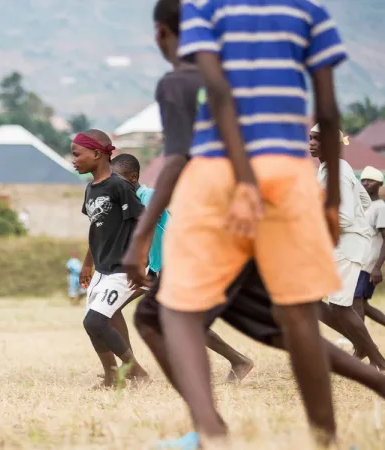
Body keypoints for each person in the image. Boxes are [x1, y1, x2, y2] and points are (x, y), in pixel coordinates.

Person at [138, 0, 356, 447]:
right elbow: (329, 113)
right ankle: (327, 441)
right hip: (290, 172)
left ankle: (211, 432)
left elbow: (219, 92)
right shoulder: (311, 14)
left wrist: (242, 179)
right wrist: (331, 198)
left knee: (177, 311)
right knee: (298, 317)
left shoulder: (207, 12)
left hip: (219, 170)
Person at [113, 152, 254, 384]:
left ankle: (237, 361)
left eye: (118, 179)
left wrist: (143, 264)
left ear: (133, 177)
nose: (114, 185)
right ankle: (129, 367)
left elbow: (146, 229)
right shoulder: (128, 201)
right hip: (159, 267)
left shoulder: (147, 196)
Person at [71, 129, 148, 389]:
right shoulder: (90, 189)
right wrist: (87, 263)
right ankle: (112, 377)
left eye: (76, 154)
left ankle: (136, 371)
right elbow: (97, 227)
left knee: (95, 321)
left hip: (121, 270)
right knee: (94, 326)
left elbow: (144, 221)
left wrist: (141, 261)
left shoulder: (119, 185)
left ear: (96, 154)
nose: (73, 160)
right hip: (102, 269)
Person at [311, 126, 385, 369]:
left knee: (341, 307)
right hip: (341, 243)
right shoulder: (328, 168)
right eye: (310, 138)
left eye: (317, 139)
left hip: (346, 244)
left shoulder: (337, 172)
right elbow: (363, 200)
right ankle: (363, 347)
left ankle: (377, 360)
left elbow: (344, 219)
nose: (311, 143)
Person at [357, 166, 385, 327]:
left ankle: (360, 345)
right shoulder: (365, 206)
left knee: (355, 301)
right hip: (359, 261)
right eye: (363, 180)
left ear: (379, 183)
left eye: (370, 180)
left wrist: (377, 268)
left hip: (368, 265)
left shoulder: (380, 207)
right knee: (362, 305)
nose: (366, 183)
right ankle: (360, 343)